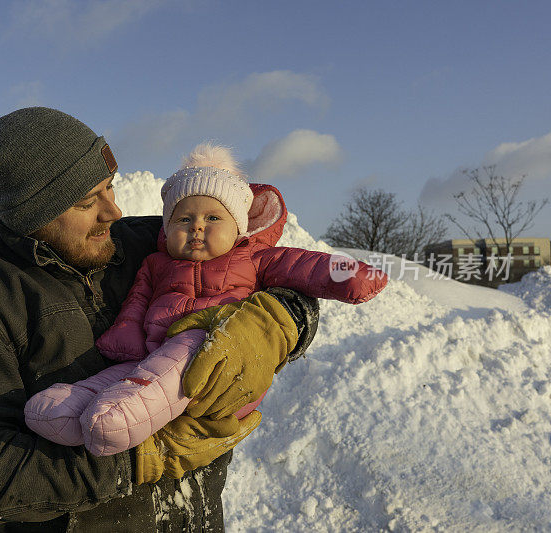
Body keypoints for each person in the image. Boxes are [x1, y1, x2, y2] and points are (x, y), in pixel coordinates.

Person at [0, 107, 320, 532]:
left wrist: (277, 324)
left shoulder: (145, 244)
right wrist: (139, 458)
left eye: (110, 187)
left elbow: (273, 268)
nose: (112, 211)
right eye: (85, 202)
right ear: (31, 216)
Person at [23, 144, 387, 462]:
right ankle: (68, 411)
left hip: (220, 370)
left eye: (213, 218)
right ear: (167, 227)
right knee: (127, 375)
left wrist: (354, 272)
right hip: (152, 363)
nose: (197, 227)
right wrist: (125, 343)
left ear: (237, 226)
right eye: (184, 218)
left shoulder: (254, 258)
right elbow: (135, 306)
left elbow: (309, 265)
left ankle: (121, 420)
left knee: (190, 341)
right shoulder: (155, 263)